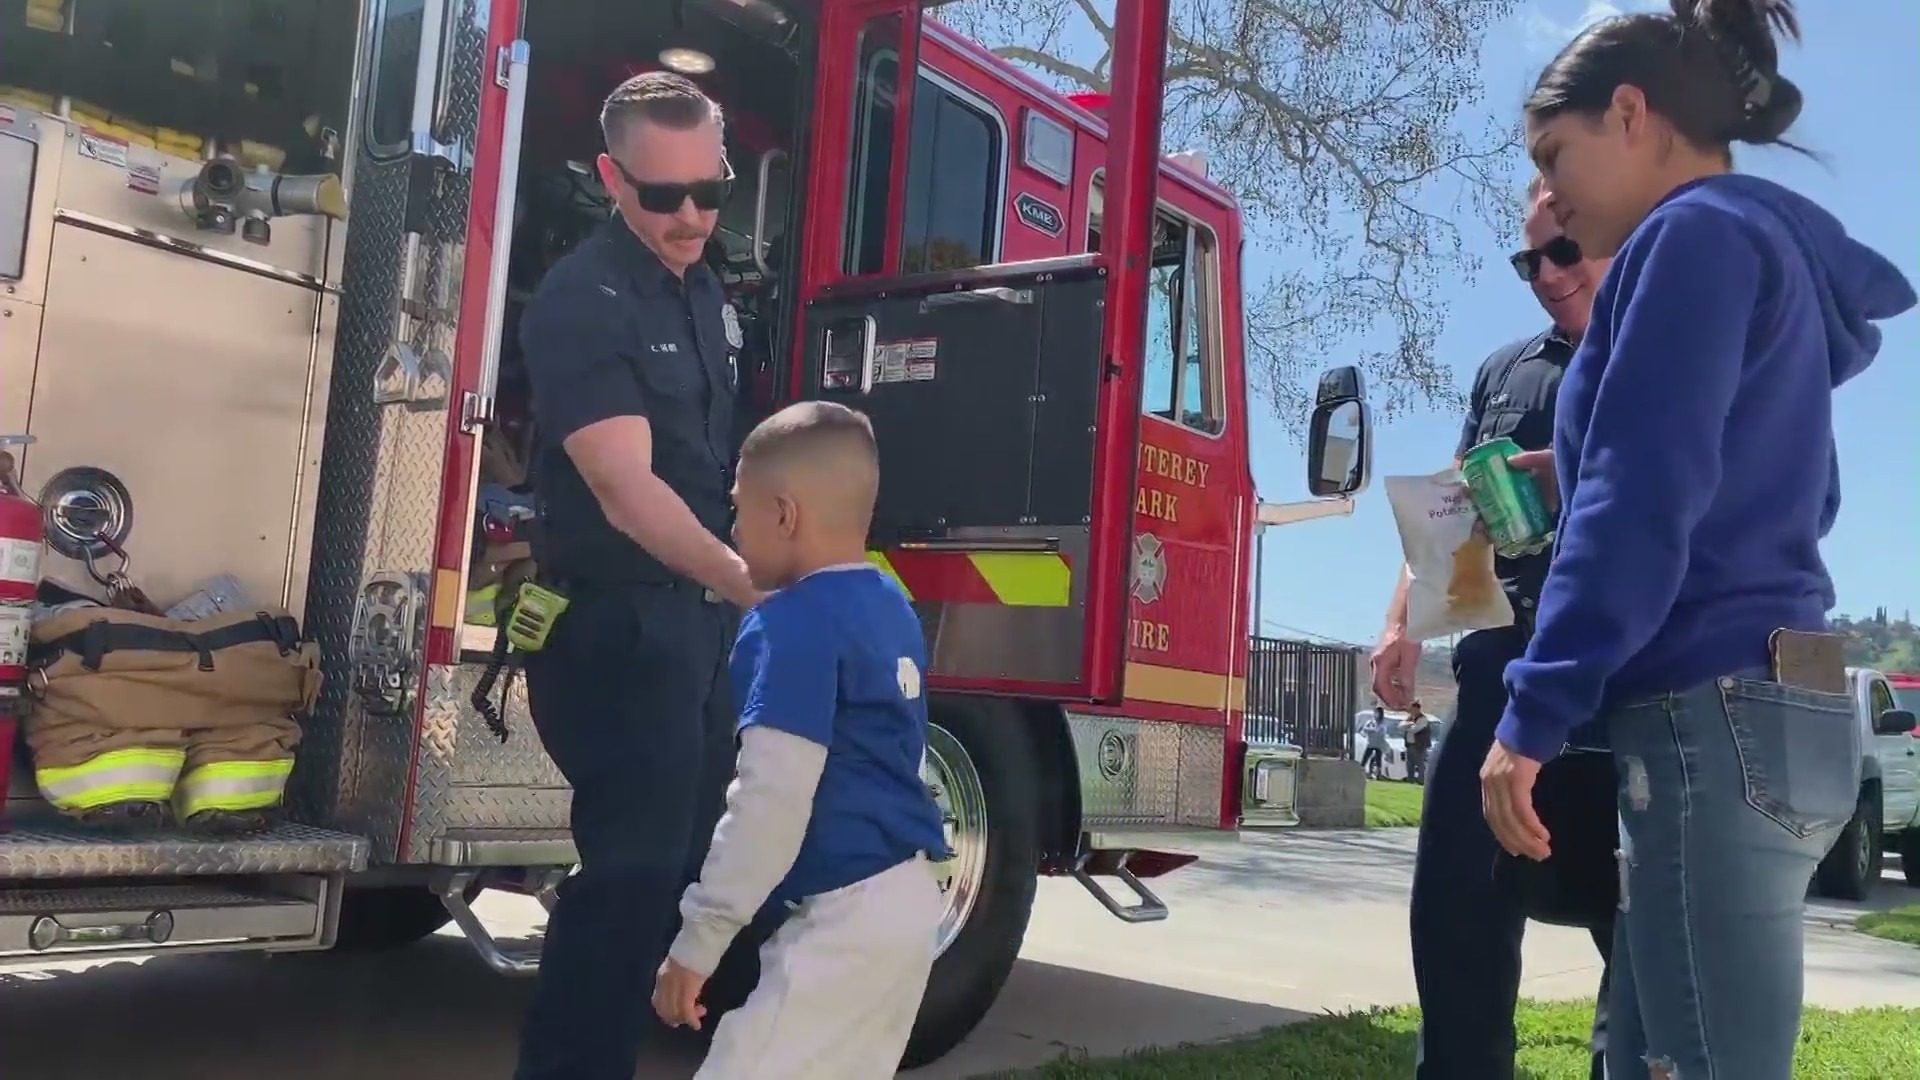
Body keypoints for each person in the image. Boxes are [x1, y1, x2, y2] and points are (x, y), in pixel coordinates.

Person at [1480, 2, 1917, 1077]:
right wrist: (1572, 467)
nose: (1555, 193)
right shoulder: (1767, 250)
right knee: (1643, 1053)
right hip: (1786, 706)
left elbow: (1645, 497)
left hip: (1702, 720)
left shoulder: (1690, 237)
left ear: (1629, 113)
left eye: (1554, 152)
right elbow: (1779, 490)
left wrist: (1531, 715)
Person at [511, 72, 763, 1080]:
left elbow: (711, 466)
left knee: (711, 865)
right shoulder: (584, 298)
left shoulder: (704, 286)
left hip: (698, 627)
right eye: (664, 197)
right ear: (612, 178)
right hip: (616, 630)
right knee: (631, 875)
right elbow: (625, 489)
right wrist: (752, 583)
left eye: (711, 191)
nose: (692, 216)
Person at [1372, 177, 1615, 1080]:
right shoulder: (1503, 372)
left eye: (1565, 251)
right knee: (1455, 926)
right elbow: (1452, 508)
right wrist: (1399, 623)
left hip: (1616, 686)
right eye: (1529, 260)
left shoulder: (1663, 356)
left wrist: (1566, 470)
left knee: (1637, 941)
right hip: (1495, 677)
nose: (1547, 275)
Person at [652, 401, 950, 1080]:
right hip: (903, 905)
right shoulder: (889, 605)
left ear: (784, 514)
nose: (731, 527)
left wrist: (698, 943)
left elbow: (770, 802)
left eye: (738, 509)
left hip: (845, 920)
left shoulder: (790, 625)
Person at [1405, 701, 1433, 784]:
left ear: (1417, 709)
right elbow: (1401, 725)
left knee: (1420, 763)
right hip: (1410, 744)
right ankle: (1410, 780)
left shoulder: (1423, 719)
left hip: (1420, 745)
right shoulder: (1410, 718)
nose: (1411, 711)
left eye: (1413, 709)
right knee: (1410, 763)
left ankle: (1421, 780)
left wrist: (1406, 727)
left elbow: (1415, 729)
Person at [1360, 707, 1388, 779]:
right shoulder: (1371, 721)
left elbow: (1382, 731)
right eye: (1375, 712)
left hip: (1379, 744)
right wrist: (1371, 730)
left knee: (1378, 759)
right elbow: (1365, 729)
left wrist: (1373, 731)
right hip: (1371, 743)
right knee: (1365, 758)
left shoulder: (1383, 722)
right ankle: (1360, 772)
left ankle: (1377, 774)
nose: (1376, 714)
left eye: (1377, 712)